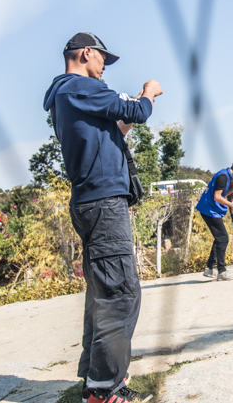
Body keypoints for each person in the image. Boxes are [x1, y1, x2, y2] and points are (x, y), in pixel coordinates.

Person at [43, 32, 161, 403]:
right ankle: (104, 390)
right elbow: (137, 112)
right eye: (102, 61)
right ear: (86, 53)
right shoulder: (76, 87)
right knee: (120, 294)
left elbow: (115, 129)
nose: (104, 69)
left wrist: (124, 120)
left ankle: (98, 380)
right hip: (102, 202)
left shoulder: (69, 95)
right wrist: (148, 91)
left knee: (102, 294)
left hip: (94, 201)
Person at [195, 160, 233, 280]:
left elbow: (222, 194)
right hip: (209, 210)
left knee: (219, 238)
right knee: (223, 238)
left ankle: (209, 268)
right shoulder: (223, 177)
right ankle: (222, 271)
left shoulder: (225, 175)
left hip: (210, 209)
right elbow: (217, 197)